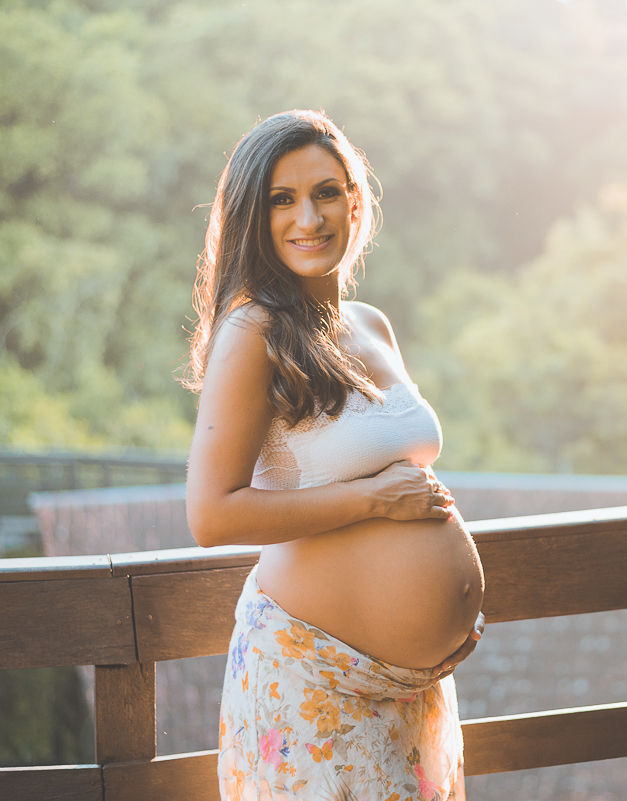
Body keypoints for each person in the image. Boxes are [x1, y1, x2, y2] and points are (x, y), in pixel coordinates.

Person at [183, 109, 485, 801]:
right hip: (311, 679)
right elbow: (211, 513)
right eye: (280, 200)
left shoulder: (370, 322)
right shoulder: (252, 330)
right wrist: (374, 502)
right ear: (252, 218)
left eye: (325, 191)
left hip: (408, 690)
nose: (308, 217)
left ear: (356, 201)